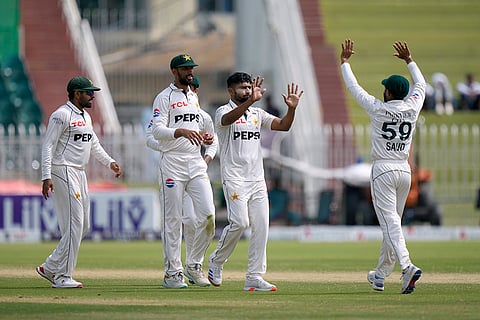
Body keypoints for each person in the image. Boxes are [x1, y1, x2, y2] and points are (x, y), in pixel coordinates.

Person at [340, 39, 424, 294]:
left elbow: (354, 88)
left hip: (383, 170)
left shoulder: (378, 109)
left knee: (389, 222)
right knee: (393, 223)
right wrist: (410, 60)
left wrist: (344, 62)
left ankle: (407, 266)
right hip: (404, 170)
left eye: (385, 89)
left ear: (389, 93)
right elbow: (421, 85)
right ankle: (380, 274)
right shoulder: (413, 106)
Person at [207, 72, 303, 291]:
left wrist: (292, 109)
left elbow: (283, 126)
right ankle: (217, 260)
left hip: (257, 179)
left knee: (262, 227)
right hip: (234, 178)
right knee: (240, 223)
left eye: (249, 88)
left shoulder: (256, 114)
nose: (248, 91)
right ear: (231, 91)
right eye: (243, 88)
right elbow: (227, 120)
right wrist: (250, 101)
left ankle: (254, 276)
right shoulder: (223, 111)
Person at [36, 76, 123, 288]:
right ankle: (63, 276)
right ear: (77, 94)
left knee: (83, 226)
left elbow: (94, 144)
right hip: (63, 169)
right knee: (75, 224)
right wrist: (46, 176)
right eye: (88, 92)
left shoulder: (85, 117)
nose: (92, 96)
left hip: (79, 172)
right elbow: (48, 146)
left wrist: (109, 162)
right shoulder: (61, 115)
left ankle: (50, 267)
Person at [150, 54, 216, 289]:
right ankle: (172, 273)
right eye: (185, 68)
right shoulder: (164, 97)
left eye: (191, 68)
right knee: (173, 220)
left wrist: (203, 136)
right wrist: (180, 132)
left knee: (209, 217)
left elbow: (195, 127)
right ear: (174, 71)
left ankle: (194, 264)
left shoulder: (193, 97)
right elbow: (157, 130)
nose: (190, 72)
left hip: (195, 162)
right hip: (172, 163)